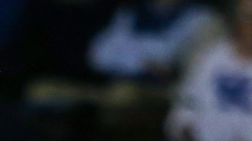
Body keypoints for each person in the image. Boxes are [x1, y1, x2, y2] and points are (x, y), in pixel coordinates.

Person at [167, 0, 252, 141]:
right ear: (235, 21)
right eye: (248, 17)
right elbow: (184, 109)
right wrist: (189, 139)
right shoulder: (209, 58)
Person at [88, 0, 224, 81]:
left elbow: (170, 63)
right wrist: (143, 63)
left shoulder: (201, 18)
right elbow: (99, 56)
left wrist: (171, 68)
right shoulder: (131, 13)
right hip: (123, 88)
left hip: (166, 97)